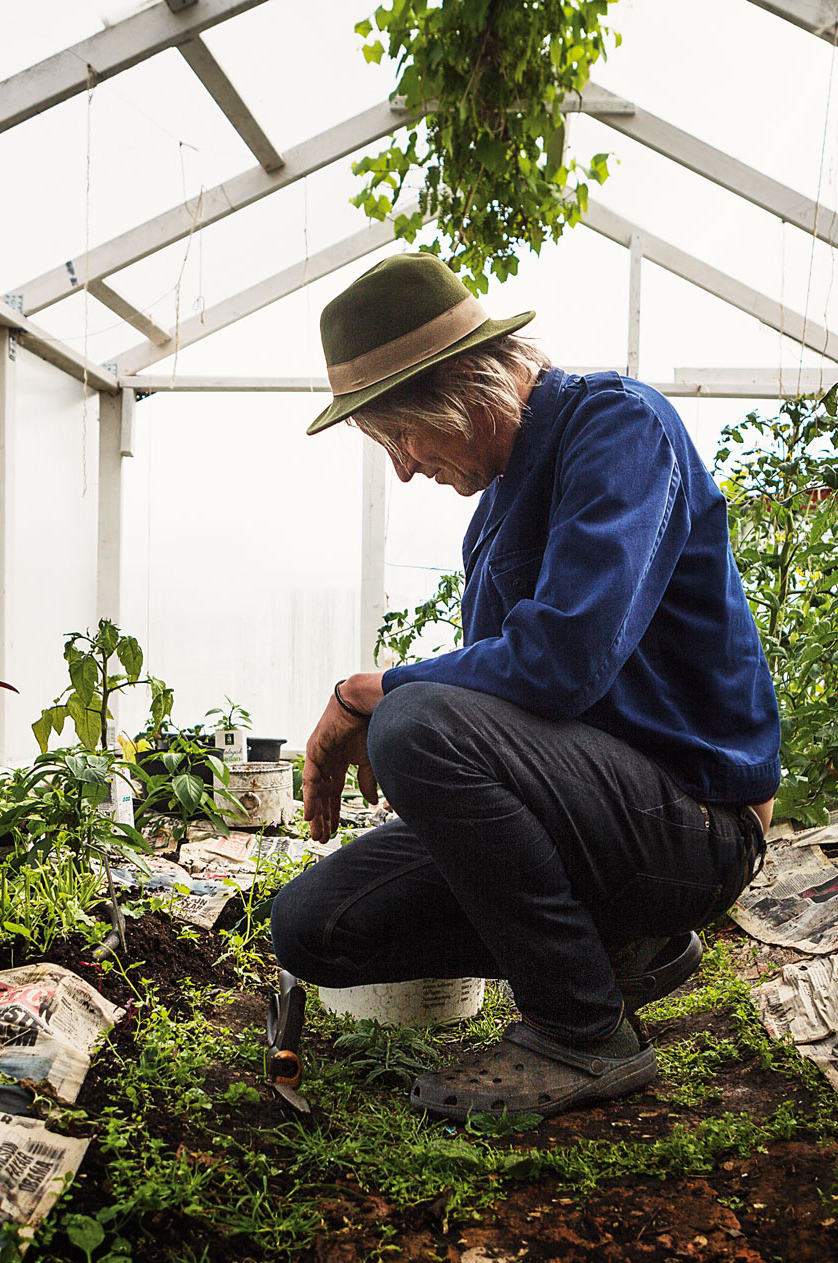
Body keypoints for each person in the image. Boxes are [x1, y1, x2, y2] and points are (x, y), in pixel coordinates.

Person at [271, 252, 778, 1121]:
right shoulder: (496, 509)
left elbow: (560, 660)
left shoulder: (618, 428)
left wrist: (375, 691)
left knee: (413, 722)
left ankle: (580, 1030)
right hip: (601, 820)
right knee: (315, 923)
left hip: (696, 819)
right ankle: (623, 950)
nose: (403, 467)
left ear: (459, 390)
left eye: (400, 436)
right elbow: (506, 706)